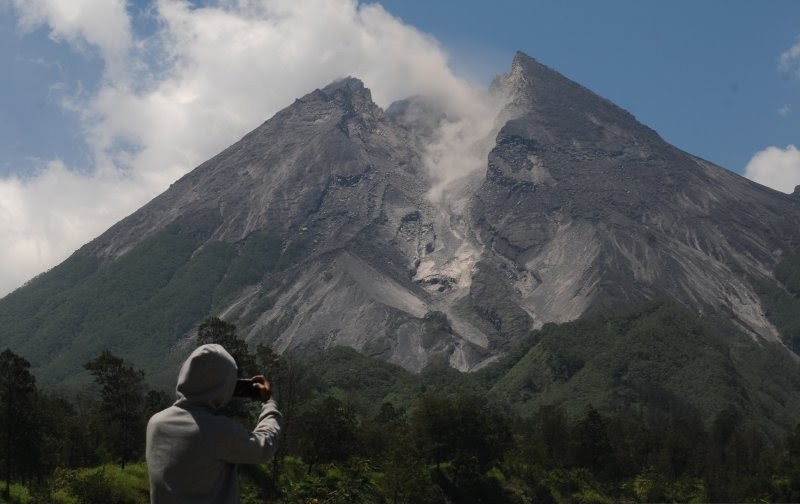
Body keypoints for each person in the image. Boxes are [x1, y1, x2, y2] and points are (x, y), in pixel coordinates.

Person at [146, 344, 281, 504]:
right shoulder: (219, 431)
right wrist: (269, 403)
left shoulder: (155, 423)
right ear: (223, 387)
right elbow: (264, 446)